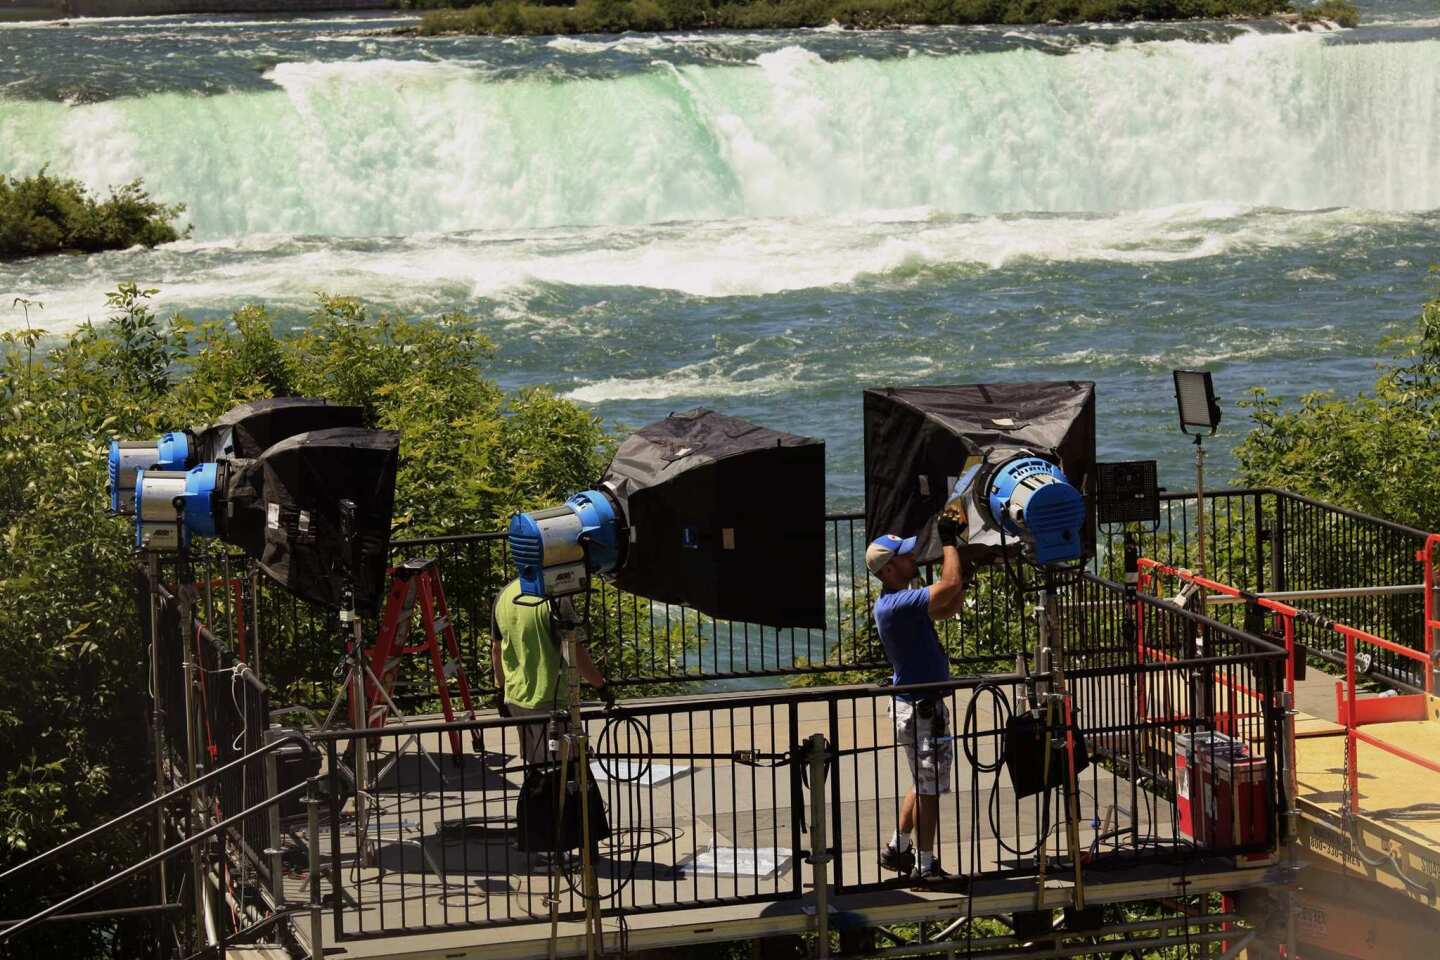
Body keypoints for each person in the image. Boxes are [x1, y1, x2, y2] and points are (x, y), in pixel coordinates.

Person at [866, 509, 968, 883]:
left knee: (925, 782)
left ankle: (898, 847)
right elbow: (948, 587)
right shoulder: (896, 605)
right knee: (930, 790)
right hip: (922, 709)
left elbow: (947, 603)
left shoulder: (902, 602)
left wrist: (961, 570)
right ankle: (926, 866)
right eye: (906, 557)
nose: (913, 559)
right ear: (888, 570)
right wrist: (949, 543)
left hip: (918, 706)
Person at [490, 578, 609, 771]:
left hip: (516, 699)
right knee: (564, 775)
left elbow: (496, 649)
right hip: (550, 702)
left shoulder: (504, 594)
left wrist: (500, 690)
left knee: (537, 770)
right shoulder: (555, 597)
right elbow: (574, 651)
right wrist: (601, 686)